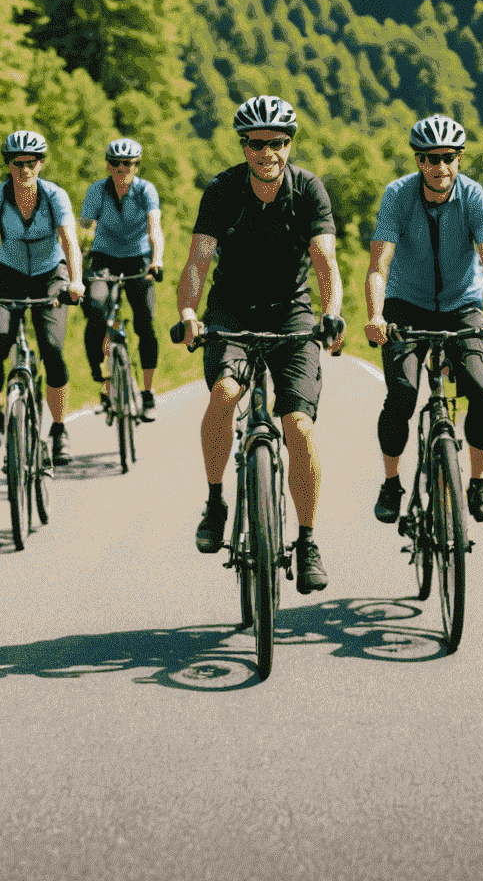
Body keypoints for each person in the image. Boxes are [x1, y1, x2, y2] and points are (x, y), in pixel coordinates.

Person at [175, 95, 344, 595]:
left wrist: (331, 311)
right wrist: (189, 311)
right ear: (244, 146)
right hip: (231, 309)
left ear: (289, 144)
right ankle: (215, 501)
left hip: (292, 311)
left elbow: (324, 259)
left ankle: (308, 541)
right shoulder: (223, 190)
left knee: (297, 424)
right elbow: (197, 262)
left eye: (277, 143)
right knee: (225, 394)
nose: (267, 151)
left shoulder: (308, 189)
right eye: (256, 143)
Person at [363, 114, 483, 527]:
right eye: (431, 159)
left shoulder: (476, 199)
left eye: (449, 158)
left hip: (460, 304)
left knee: (481, 392)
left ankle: (478, 482)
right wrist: (375, 315)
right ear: (418, 161)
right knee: (401, 392)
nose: (441, 167)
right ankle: (392, 483)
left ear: (459, 158)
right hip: (405, 304)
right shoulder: (397, 196)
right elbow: (379, 265)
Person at [0, 131, 85, 466]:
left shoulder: (55, 196)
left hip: (51, 276)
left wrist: (76, 281)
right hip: (9, 277)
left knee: (52, 351)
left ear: (41, 164)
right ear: (8, 165)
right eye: (17, 163)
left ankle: (58, 430)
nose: (24, 169)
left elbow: (70, 242)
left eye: (31, 163)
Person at [80, 137, 165, 420]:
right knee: (95, 308)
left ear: (136, 166)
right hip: (103, 256)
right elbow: (85, 231)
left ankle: (148, 392)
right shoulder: (97, 191)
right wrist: (79, 266)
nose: (121, 168)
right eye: (115, 163)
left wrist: (157, 260)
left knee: (145, 323)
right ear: (107, 165)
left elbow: (155, 228)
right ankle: (102, 378)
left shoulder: (145, 191)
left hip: (138, 258)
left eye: (127, 163)